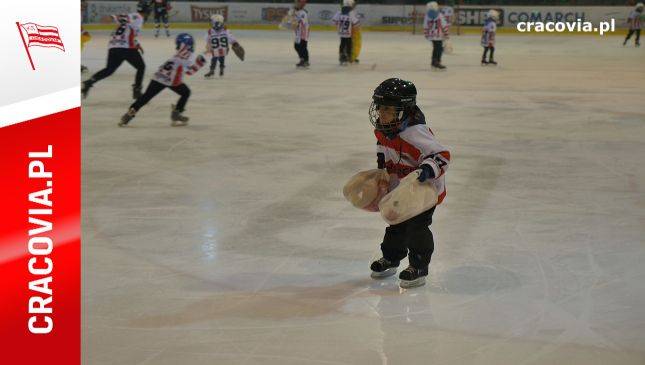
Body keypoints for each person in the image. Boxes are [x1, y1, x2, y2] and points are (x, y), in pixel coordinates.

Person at [367, 78, 450, 289]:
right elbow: (382, 149)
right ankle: (391, 259)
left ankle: (418, 266)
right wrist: (382, 172)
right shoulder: (384, 130)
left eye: (388, 109)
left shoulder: (415, 133)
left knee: (417, 229)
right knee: (395, 225)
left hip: (423, 193)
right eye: (380, 107)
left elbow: (442, 155)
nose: (381, 113)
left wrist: (426, 170)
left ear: (404, 110)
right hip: (400, 190)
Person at [119, 33, 205, 127]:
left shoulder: (178, 53)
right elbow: (189, 72)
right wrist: (200, 63)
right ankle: (176, 113)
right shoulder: (189, 55)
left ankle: (130, 112)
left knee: (146, 96)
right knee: (186, 92)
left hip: (158, 75)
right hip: (171, 80)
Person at [82, 9, 145, 99]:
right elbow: (124, 17)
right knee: (141, 67)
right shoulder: (137, 16)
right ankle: (137, 91)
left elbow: (126, 31)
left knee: (109, 70)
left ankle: (88, 82)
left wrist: (137, 44)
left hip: (113, 46)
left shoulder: (129, 23)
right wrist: (112, 17)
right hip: (126, 47)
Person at [332, 0, 360, 65]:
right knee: (349, 44)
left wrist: (339, 26)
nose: (354, 6)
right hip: (349, 33)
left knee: (342, 44)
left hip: (341, 32)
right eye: (353, 4)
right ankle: (348, 57)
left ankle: (342, 57)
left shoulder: (339, 12)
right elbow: (356, 24)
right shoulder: (351, 13)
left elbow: (334, 21)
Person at [423, 1, 449, 70]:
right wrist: (446, 34)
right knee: (439, 49)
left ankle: (434, 62)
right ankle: (436, 62)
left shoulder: (427, 15)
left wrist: (426, 34)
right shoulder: (440, 15)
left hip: (432, 36)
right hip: (439, 35)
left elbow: (425, 26)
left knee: (436, 48)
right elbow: (444, 25)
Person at [292, 0, 310, 68]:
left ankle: (306, 61)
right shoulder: (296, 12)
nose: (295, 4)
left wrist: (295, 23)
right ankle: (302, 59)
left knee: (303, 47)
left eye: (297, 3)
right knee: (296, 46)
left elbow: (302, 22)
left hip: (303, 32)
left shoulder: (303, 13)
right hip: (298, 32)